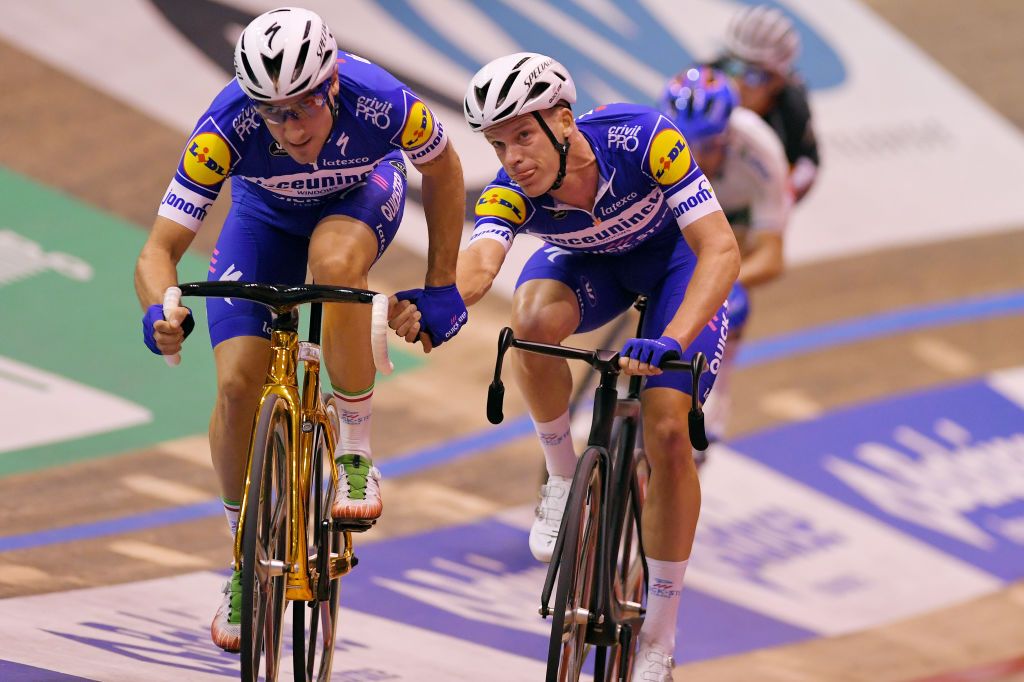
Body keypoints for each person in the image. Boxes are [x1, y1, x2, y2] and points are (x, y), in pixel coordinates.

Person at [393, 53, 739, 679]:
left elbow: (718, 248)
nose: (513, 157)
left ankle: (659, 637)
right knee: (530, 321)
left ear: (563, 120)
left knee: (666, 430)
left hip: (672, 268)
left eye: (523, 135)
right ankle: (560, 480)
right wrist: (439, 296)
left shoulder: (646, 141)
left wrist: (675, 338)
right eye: (498, 144)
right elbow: (480, 263)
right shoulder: (512, 192)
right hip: (594, 271)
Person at [133, 7, 467, 653]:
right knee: (235, 386)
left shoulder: (382, 101)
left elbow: (445, 168)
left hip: (360, 198)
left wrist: (443, 282)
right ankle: (241, 555)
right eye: (272, 113)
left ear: (331, 86)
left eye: (300, 109)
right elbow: (157, 251)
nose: (288, 128)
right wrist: (158, 311)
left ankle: (354, 452)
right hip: (263, 221)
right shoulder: (223, 128)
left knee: (336, 265)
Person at [660, 65, 793, 445]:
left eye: (708, 146)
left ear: (728, 136)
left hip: (736, 221)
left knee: (731, 299)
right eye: (688, 145)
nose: (697, 158)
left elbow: (772, 258)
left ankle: (715, 393)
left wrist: (720, 280)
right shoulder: (654, 142)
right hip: (675, 208)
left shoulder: (762, 153)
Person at [712, 4, 820, 201]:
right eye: (734, 66)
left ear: (778, 81)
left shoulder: (791, 107)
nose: (739, 82)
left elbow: (808, 164)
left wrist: (779, 197)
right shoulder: (703, 80)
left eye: (754, 75)